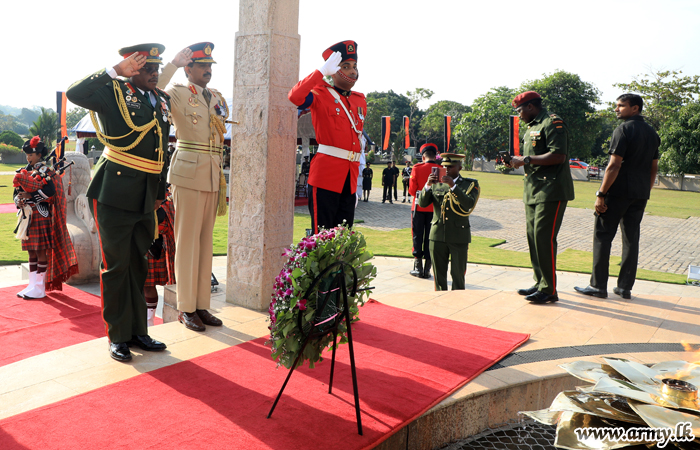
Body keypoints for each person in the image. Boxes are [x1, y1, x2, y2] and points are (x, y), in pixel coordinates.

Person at [67, 43, 170, 361]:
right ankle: (117, 336)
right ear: (132, 68)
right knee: (116, 266)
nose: (154, 73)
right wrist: (113, 72)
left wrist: (158, 194)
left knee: (139, 264)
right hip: (114, 192)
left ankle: (139, 331)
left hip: (144, 195)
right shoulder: (113, 92)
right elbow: (75, 93)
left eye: (157, 68)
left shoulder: (161, 101)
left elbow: (161, 151)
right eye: (147, 68)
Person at [157, 42, 226, 331]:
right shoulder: (177, 93)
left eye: (210, 66)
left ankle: (201, 305)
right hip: (187, 173)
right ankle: (186, 307)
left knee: (204, 242)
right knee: (186, 241)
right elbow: (152, 90)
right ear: (189, 69)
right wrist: (171, 64)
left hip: (211, 173)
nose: (208, 70)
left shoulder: (216, 97)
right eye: (202, 66)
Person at [574, 94, 660, 300]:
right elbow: (653, 167)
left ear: (635, 108)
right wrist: (644, 191)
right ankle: (624, 288)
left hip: (618, 191)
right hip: (640, 194)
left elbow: (614, 165)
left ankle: (597, 286)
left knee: (603, 236)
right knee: (631, 239)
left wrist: (601, 194)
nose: (616, 109)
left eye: (621, 106)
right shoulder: (652, 133)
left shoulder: (623, 130)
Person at [288, 40, 366, 234]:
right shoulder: (320, 94)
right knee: (321, 239)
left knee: (342, 241)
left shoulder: (359, 100)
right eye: (345, 66)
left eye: (354, 66)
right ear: (333, 71)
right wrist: (321, 72)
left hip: (349, 179)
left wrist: (355, 185)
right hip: (326, 177)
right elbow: (295, 97)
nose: (352, 71)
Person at [507, 91, 574, 304]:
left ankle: (549, 289)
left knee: (544, 238)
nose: (518, 115)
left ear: (530, 107)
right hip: (532, 190)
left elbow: (558, 155)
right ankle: (540, 282)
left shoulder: (552, 123)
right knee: (533, 238)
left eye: (519, 110)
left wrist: (525, 159)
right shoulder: (531, 128)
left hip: (551, 190)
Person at [14, 137, 79, 300]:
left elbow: (51, 191)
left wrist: (31, 196)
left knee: (40, 251)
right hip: (27, 216)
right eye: (27, 154)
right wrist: (19, 200)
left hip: (41, 215)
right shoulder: (24, 170)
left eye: (32, 154)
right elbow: (15, 192)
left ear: (39, 154)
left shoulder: (46, 171)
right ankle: (32, 285)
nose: (28, 157)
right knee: (31, 252)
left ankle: (40, 287)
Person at [418, 153, 480, 291]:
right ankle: (440, 304)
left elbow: (468, 203)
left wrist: (453, 186)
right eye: (444, 166)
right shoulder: (436, 183)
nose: (446, 169)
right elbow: (422, 204)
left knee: (458, 275)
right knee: (439, 277)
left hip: (458, 235)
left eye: (450, 167)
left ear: (460, 167)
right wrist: (427, 185)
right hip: (437, 235)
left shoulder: (469, 184)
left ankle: (457, 305)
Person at [408, 144, 442, 278]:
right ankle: (428, 268)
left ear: (423, 157)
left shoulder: (417, 168)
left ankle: (418, 267)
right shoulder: (440, 169)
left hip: (418, 207)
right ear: (435, 156)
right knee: (430, 237)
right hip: (434, 209)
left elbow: (411, 191)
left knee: (417, 235)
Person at [144, 189, 176, 326]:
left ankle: (149, 321)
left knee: (148, 285)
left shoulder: (168, 197)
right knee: (140, 286)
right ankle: (142, 319)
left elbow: (169, 225)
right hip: (137, 241)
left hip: (158, 246)